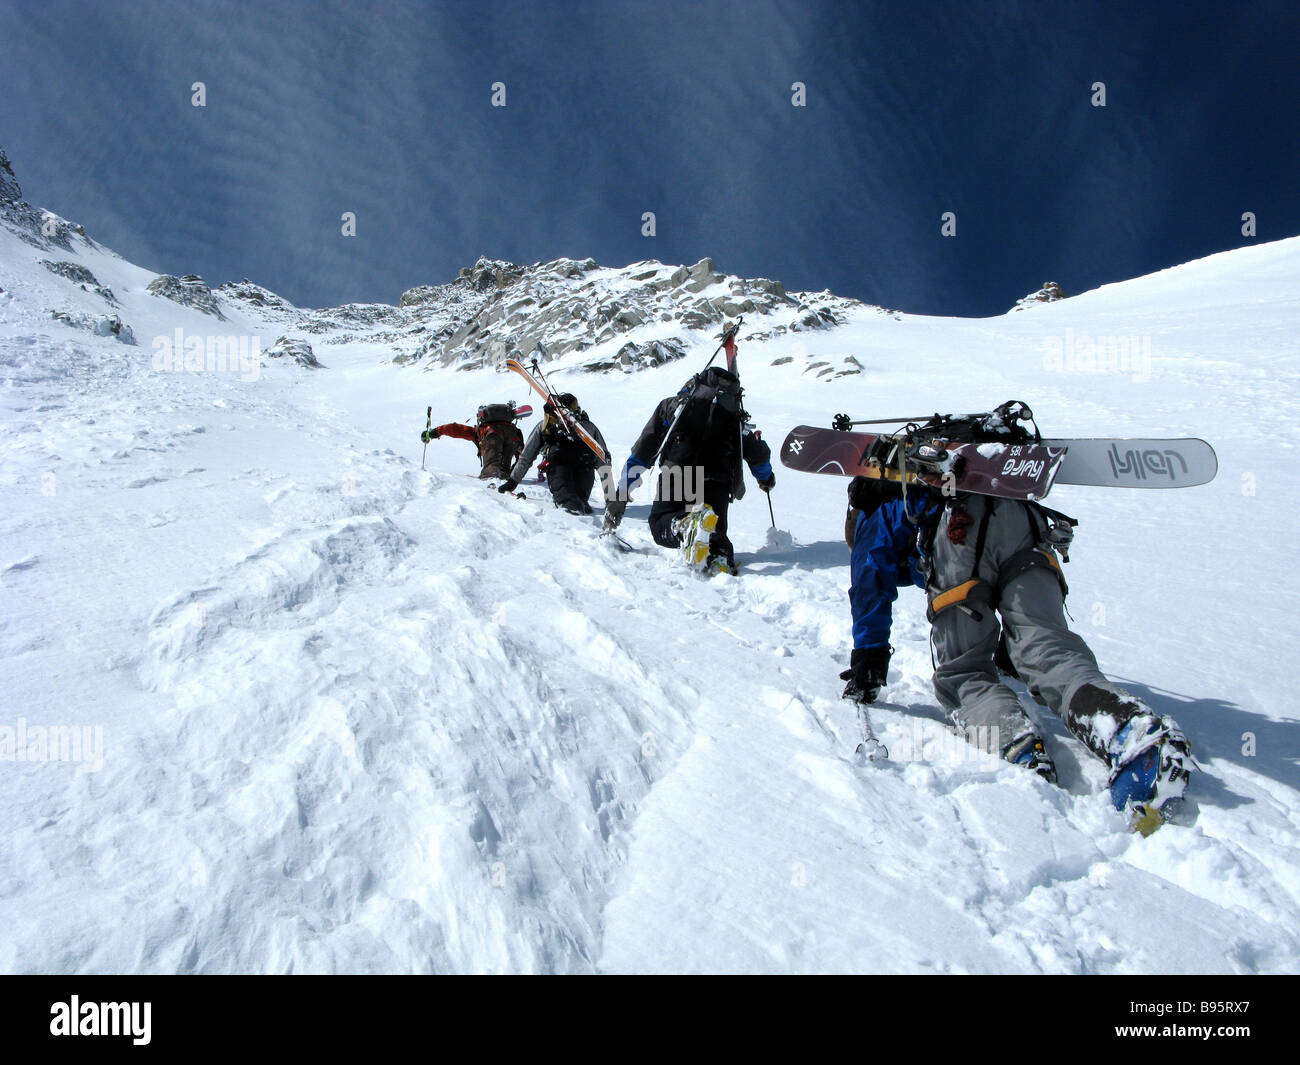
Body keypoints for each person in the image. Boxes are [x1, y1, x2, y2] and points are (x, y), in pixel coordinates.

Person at [920, 422, 1193, 826]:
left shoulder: (887, 496)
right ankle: (1129, 730)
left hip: (960, 538)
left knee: (964, 672)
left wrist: (868, 652)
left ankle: (1018, 745)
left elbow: (872, 567)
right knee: (1049, 649)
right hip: (1025, 522)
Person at [605, 365, 773, 571]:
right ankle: (719, 556)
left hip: (679, 471)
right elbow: (758, 456)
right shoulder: (733, 416)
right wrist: (766, 478)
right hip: (718, 480)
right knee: (715, 532)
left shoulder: (675, 406)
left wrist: (622, 492)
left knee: (660, 524)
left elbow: (643, 450)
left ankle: (683, 527)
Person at [840, 475, 943, 705]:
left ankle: (869, 671)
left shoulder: (883, 512)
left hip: (915, 508)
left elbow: (870, 584)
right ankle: (1008, 665)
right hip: (974, 513)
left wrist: (868, 667)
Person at [496, 392, 612, 515]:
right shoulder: (546, 426)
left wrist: (611, 498)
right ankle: (568, 503)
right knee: (570, 503)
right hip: (559, 468)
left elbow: (603, 461)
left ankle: (578, 503)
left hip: (584, 470)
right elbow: (527, 455)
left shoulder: (587, 427)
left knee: (580, 502)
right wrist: (513, 481)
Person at [420, 403, 525, 480]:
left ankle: (491, 476)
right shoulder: (514, 431)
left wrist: (434, 433)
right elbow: (523, 457)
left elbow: (456, 429)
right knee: (503, 463)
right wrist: (514, 475)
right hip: (512, 438)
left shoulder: (480, 431)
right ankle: (501, 474)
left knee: (492, 466)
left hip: (490, 436)